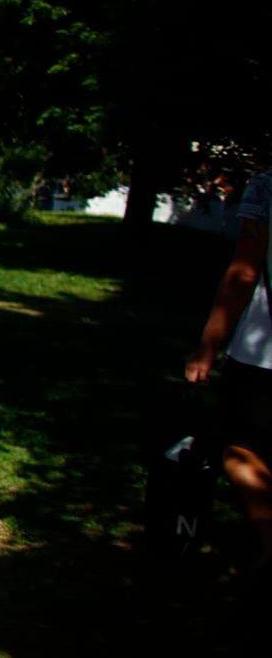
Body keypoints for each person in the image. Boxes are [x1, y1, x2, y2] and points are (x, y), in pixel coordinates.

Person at [185, 167, 271, 586]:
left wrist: (208, 346)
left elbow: (244, 272)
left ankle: (269, 538)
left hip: (263, 355)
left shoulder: (268, 185)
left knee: (240, 447)